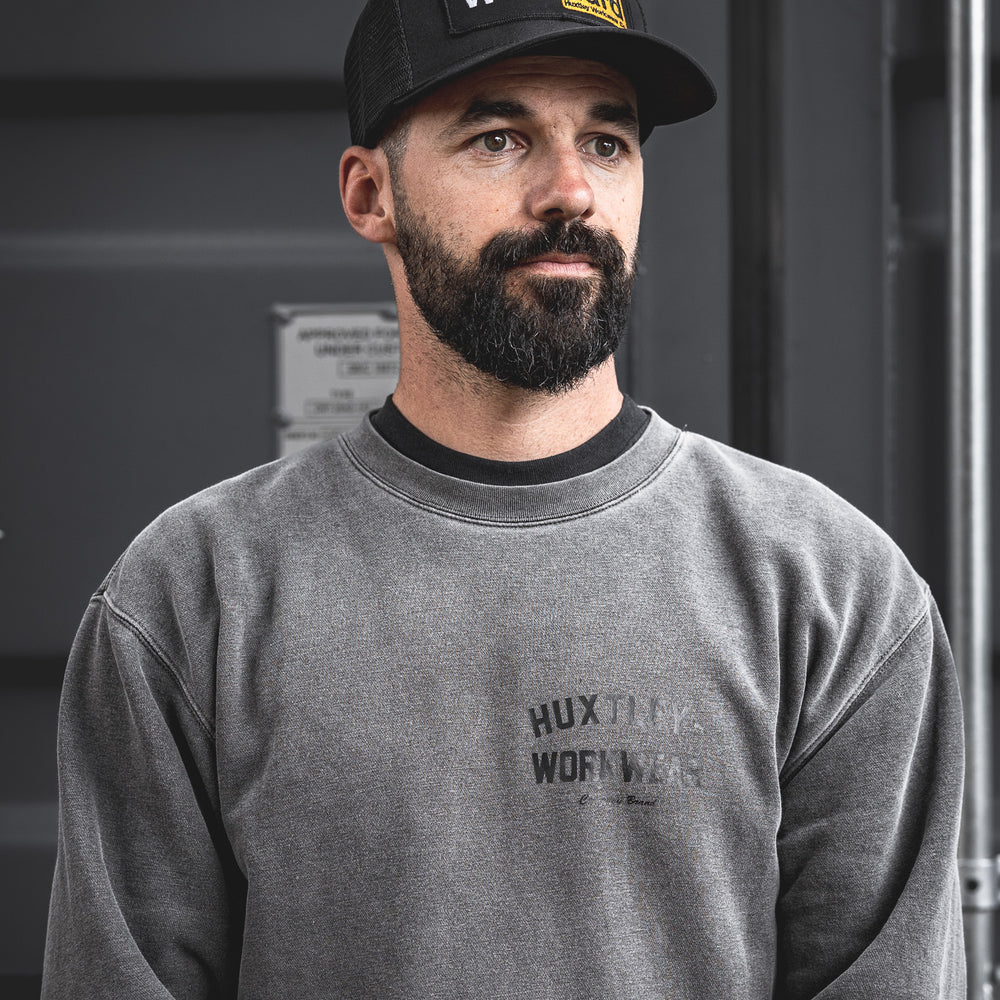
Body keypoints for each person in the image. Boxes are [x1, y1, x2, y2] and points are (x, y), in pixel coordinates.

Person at [42, 1, 965, 997]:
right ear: (370, 192)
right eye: (498, 138)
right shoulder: (191, 595)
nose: (569, 190)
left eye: (607, 141)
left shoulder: (833, 591)